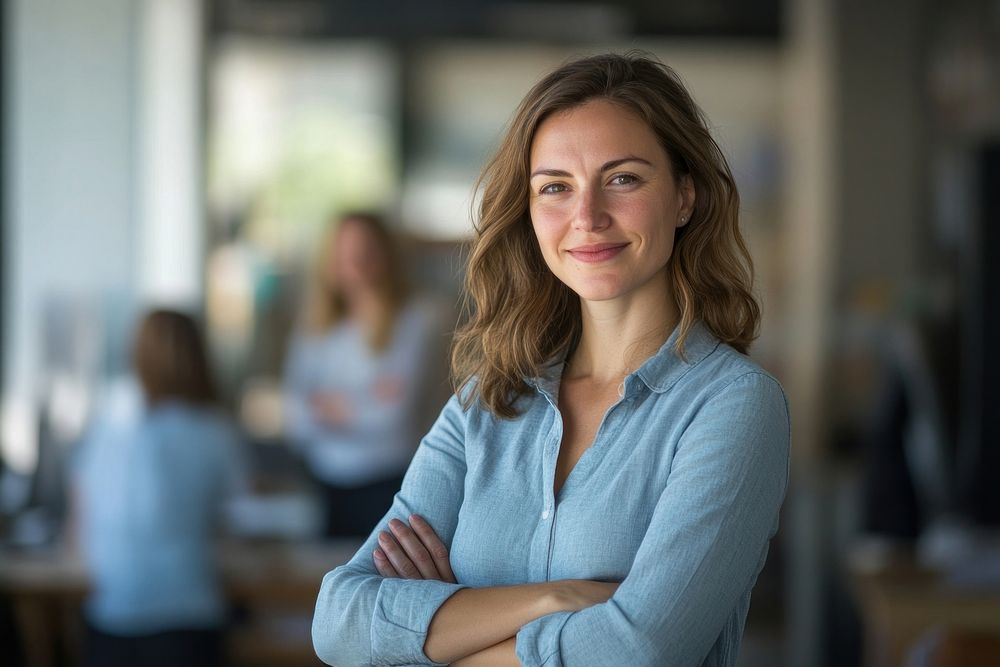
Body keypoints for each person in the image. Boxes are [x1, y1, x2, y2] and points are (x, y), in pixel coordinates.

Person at [312, 52, 791, 666]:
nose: (587, 218)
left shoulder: (733, 406)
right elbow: (338, 621)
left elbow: (636, 653)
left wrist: (438, 635)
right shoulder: (487, 401)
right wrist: (552, 600)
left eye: (623, 178)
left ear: (684, 197)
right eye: (556, 187)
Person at [72, 309, 248, 667]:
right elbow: (239, 521)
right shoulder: (214, 432)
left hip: (111, 617)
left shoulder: (108, 428)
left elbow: (79, 527)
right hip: (187, 618)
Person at [283, 212, 444, 537]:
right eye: (343, 253)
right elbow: (293, 417)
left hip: (392, 484)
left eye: (364, 251)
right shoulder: (316, 325)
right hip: (325, 484)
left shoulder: (419, 319)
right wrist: (366, 398)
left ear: (386, 254)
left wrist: (327, 404)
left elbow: (393, 416)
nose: (354, 263)